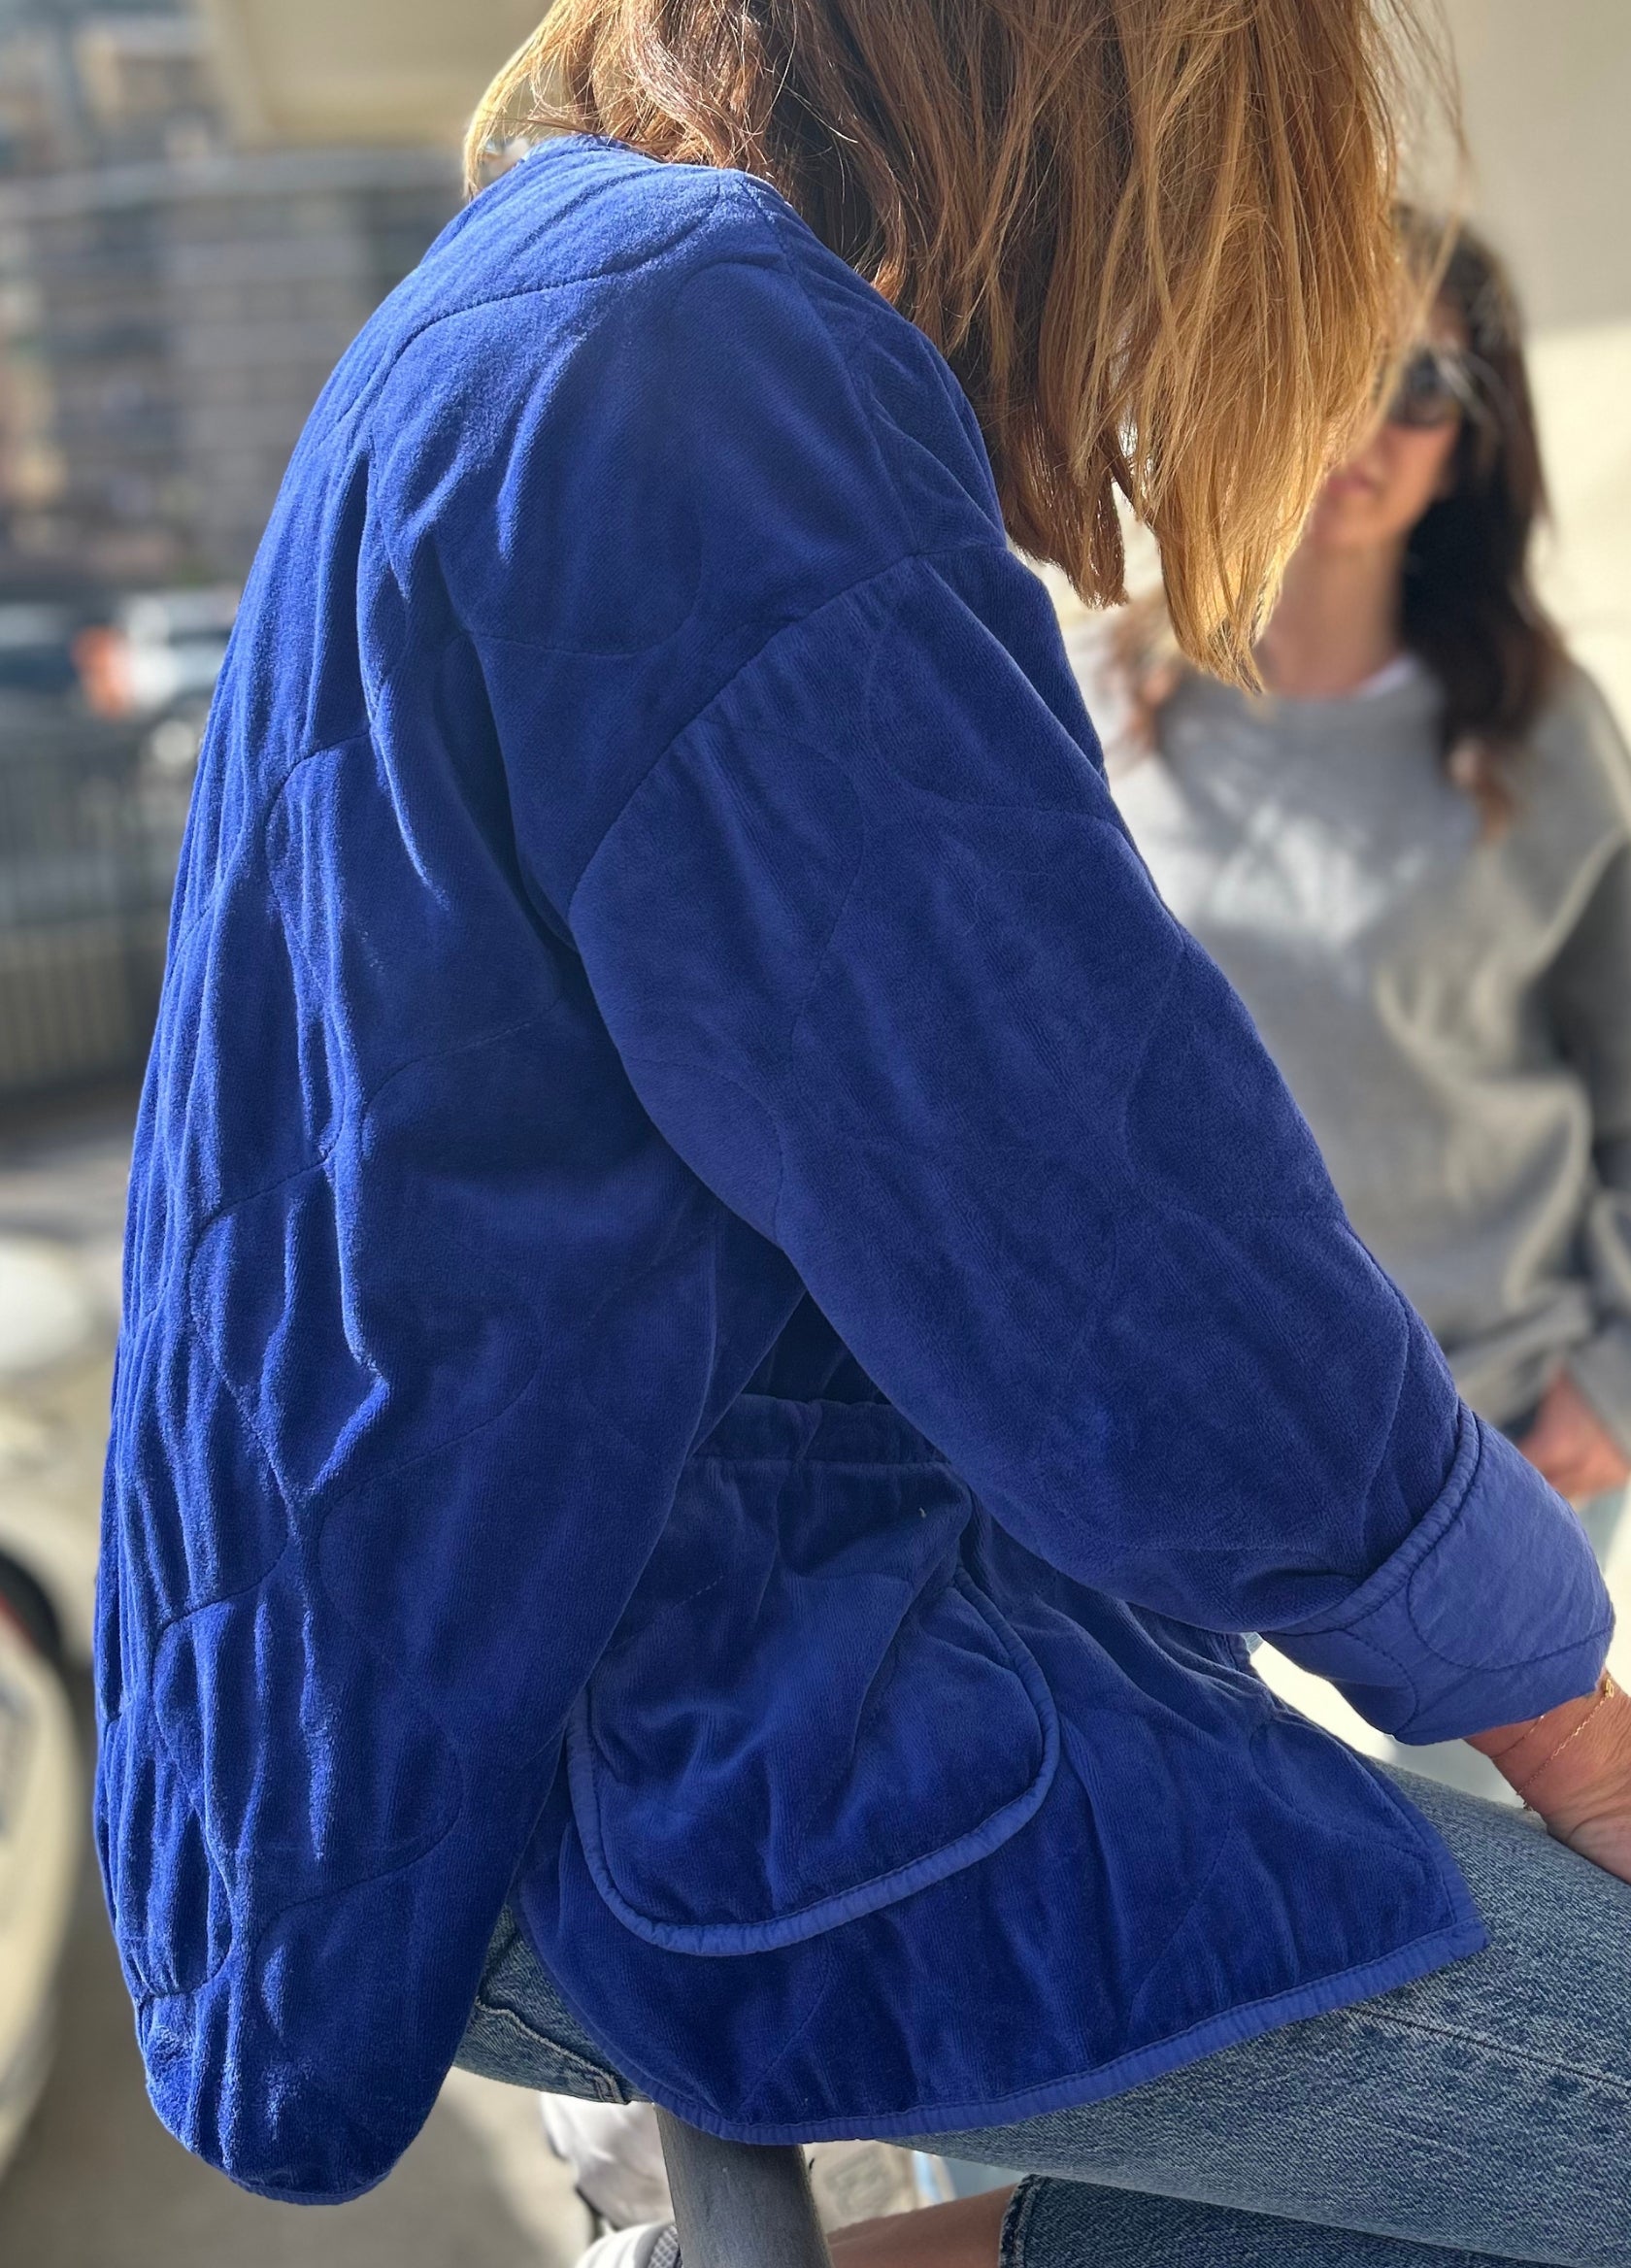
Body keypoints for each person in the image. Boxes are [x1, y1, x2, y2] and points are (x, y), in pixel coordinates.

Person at [92, 6, 1631, 2266]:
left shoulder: (541, 297)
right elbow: (1107, 1235)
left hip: (436, 1730)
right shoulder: (703, 368)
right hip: (687, 1758)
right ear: (1089, 107)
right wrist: (1567, 1715)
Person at [1109, 218, 1631, 1556]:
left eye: (1422, 387)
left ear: (1471, 441)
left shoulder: (1546, 736)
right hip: (1172, 1434)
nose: (1365, 421)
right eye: (1333, 357)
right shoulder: (1096, 701)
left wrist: (1621, 1379)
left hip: (1493, 1441)